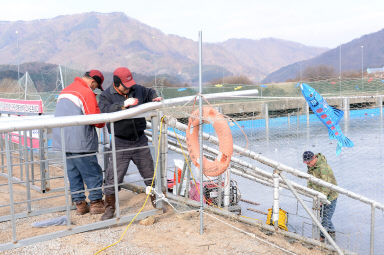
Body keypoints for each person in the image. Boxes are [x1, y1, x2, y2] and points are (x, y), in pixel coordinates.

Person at [98, 67, 162, 220]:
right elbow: (104, 110)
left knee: (150, 173)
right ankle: (109, 209)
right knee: (114, 176)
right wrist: (123, 105)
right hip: (121, 141)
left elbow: (150, 91)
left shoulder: (137, 89)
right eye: (125, 85)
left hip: (140, 139)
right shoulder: (106, 95)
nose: (129, 88)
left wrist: (154, 98)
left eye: (130, 84)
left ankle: (157, 201)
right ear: (116, 83)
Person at [52, 70, 106, 215]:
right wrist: (104, 117)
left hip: (63, 139)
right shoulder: (85, 92)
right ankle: (96, 203)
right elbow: (96, 120)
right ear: (93, 81)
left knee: (74, 173)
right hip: (80, 140)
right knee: (92, 171)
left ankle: (80, 205)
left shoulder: (65, 90)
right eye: (95, 86)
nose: (94, 89)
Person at [303, 151, 338, 242]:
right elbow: (310, 180)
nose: (308, 164)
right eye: (306, 163)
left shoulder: (323, 168)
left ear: (314, 158)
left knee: (325, 218)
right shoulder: (311, 167)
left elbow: (327, 185)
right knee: (323, 215)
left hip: (331, 196)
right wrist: (309, 190)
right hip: (319, 194)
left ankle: (322, 238)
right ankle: (331, 231)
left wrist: (322, 199)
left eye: (309, 162)